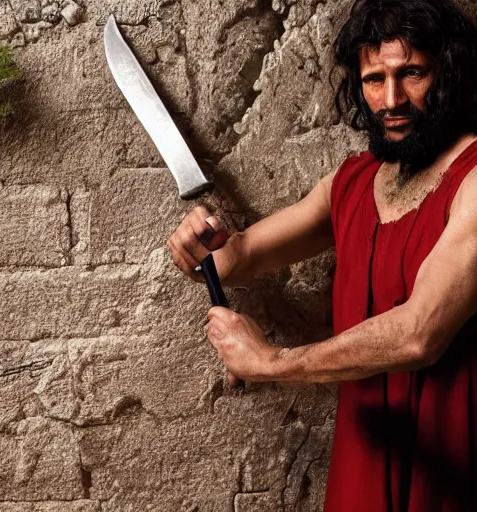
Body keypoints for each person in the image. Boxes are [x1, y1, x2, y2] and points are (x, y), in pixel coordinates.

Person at [167, 0, 477, 509]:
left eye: (412, 73)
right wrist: (197, 243)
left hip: (450, 469)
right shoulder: (349, 185)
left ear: (448, 71)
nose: (392, 99)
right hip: (364, 459)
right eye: (374, 79)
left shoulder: (472, 176)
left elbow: (421, 332)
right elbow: (235, 259)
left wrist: (270, 362)